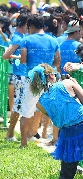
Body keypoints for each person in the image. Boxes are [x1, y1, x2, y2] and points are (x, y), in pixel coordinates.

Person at [19, 13, 61, 148]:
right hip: (49, 78)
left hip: (32, 79)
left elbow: (23, 60)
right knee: (53, 109)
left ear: (30, 25)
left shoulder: (26, 40)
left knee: (25, 111)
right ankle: (55, 139)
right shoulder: (54, 40)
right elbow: (57, 61)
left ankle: (23, 142)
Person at [2, 13, 29, 141]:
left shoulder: (19, 36)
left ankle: (11, 133)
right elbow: (6, 55)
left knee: (18, 105)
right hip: (20, 76)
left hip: (21, 75)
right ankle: (10, 134)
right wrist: (19, 58)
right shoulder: (18, 38)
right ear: (25, 24)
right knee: (18, 105)